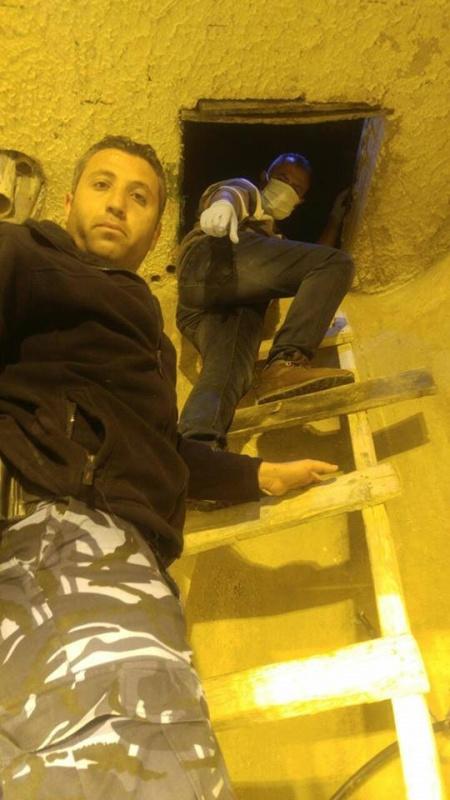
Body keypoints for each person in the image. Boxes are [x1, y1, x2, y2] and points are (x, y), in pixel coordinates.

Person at [0, 135, 340, 799]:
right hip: (60, 531)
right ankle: (288, 361)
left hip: (108, 550)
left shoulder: (152, 345)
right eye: (102, 185)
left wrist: (256, 475)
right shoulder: (26, 254)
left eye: (139, 198)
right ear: (67, 202)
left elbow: (160, 450)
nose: (116, 205)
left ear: (155, 232)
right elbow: (231, 195)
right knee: (137, 768)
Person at [176, 153, 355, 450]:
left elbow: (313, 261)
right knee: (338, 263)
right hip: (212, 262)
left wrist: (335, 219)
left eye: (296, 188)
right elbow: (233, 192)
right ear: (265, 177)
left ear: (300, 202)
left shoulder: (275, 242)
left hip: (227, 307)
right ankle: (287, 361)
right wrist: (223, 205)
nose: (287, 189)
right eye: (282, 178)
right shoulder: (250, 196)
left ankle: (198, 449)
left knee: (229, 374)